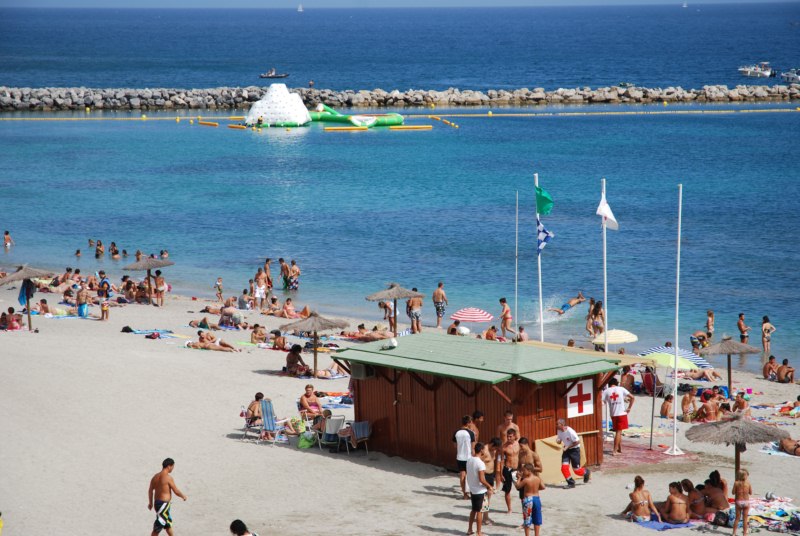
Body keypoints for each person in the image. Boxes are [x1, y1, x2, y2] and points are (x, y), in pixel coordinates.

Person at [148, 458, 187, 536]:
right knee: (158, 527)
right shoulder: (168, 477)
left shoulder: (155, 477)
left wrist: (151, 503)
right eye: (173, 467)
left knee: (168, 524)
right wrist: (183, 496)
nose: (173, 469)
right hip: (163, 505)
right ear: (169, 466)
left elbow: (150, 491)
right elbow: (176, 491)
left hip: (158, 503)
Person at [466, 443, 494, 536]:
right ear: (481, 450)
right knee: (480, 512)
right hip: (480, 490)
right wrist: (489, 486)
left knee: (473, 510)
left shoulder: (469, 460)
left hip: (472, 489)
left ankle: (469, 529)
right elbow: (482, 480)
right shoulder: (480, 463)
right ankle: (479, 532)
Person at [603, 378, 634, 455]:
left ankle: (619, 449)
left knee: (618, 431)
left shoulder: (606, 391)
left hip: (613, 414)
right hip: (621, 413)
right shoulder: (621, 389)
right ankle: (614, 451)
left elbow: (601, 402)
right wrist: (629, 408)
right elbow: (632, 397)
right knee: (618, 432)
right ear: (616, 383)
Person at [555, 419, 589, 488]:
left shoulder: (570, 431)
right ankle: (571, 483)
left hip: (574, 450)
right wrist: (558, 441)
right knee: (564, 468)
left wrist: (568, 446)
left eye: (557, 424)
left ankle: (586, 472)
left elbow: (577, 442)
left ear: (562, 425)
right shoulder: (559, 430)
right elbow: (560, 439)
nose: (556, 425)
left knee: (577, 471)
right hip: (566, 450)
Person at [514, 463, 545, 536]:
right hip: (536, 499)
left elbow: (518, 486)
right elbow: (543, 487)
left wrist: (519, 478)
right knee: (537, 519)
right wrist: (536, 488)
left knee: (527, 519)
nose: (523, 472)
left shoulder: (526, 480)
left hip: (528, 499)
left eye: (524, 470)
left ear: (529, 471)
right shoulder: (537, 478)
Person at [498, 428, 520, 513]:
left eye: (510, 436)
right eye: (507, 436)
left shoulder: (518, 444)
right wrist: (500, 474)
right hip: (507, 469)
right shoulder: (504, 447)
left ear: (514, 436)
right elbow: (501, 460)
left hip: (516, 469)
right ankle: (509, 509)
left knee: (522, 488)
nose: (509, 438)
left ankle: (524, 506)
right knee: (507, 490)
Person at [454, 416, 475, 500]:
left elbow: (455, 446)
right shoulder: (471, 433)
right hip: (468, 457)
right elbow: (473, 447)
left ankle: (465, 495)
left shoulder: (456, 432)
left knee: (462, 475)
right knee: (470, 475)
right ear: (469, 422)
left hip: (460, 456)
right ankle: (471, 492)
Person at [732, 469, 752, 536]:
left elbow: (733, 492)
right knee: (745, 519)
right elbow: (750, 492)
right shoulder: (748, 483)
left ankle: (734, 533)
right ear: (746, 476)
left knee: (737, 518)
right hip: (746, 502)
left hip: (738, 501)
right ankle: (744, 534)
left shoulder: (736, 483)